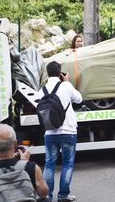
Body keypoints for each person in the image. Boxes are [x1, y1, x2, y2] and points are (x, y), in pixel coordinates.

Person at [39, 61, 82, 202]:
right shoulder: (65, 86)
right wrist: (68, 82)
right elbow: (79, 99)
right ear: (60, 72)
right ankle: (63, 195)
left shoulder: (43, 90)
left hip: (50, 132)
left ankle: (47, 196)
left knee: (49, 164)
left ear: (47, 72)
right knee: (67, 164)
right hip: (68, 130)